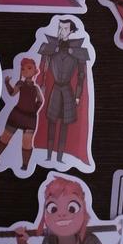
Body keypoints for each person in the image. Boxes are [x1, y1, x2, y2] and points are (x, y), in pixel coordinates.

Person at [39, 19, 89, 163]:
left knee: (65, 125)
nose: (61, 31)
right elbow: (43, 67)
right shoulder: (50, 48)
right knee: (51, 122)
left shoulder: (78, 51)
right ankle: (49, 156)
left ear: (71, 31)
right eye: (60, 28)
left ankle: (59, 158)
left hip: (68, 91)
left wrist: (78, 95)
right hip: (55, 90)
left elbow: (81, 75)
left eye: (65, 29)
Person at [0, 58, 42, 171]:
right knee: (6, 136)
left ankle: (25, 165)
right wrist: (7, 83)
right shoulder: (20, 83)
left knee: (27, 142)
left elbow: (40, 100)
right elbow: (12, 93)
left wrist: (35, 109)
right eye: (23, 69)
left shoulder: (36, 88)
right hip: (17, 115)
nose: (26, 71)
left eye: (29, 68)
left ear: (35, 70)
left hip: (30, 118)